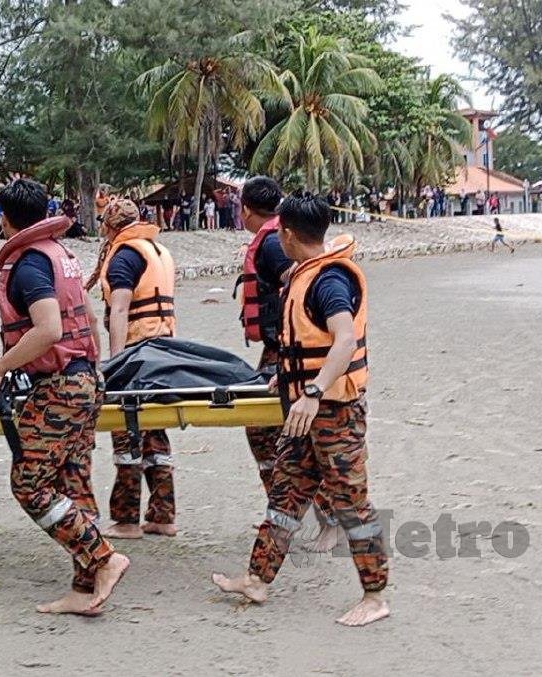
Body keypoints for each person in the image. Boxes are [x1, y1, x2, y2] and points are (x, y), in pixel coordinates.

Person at [213, 192, 389, 627]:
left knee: (351, 502)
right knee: (285, 494)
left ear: (288, 234)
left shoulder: (328, 281)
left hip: (334, 413)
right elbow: (311, 344)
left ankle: (375, 595)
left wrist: (311, 390)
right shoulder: (305, 275)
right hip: (303, 410)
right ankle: (257, 579)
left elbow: (344, 340)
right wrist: (289, 378)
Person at [0, 178, 129, 616]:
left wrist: (0, 365)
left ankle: (104, 557)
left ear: (5, 219)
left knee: (28, 483)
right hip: (85, 379)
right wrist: (91, 369)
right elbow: (86, 314)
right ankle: (85, 589)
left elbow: (48, 329)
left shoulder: (29, 264)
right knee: (73, 481)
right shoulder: (60, 254)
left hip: (61, 385)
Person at [236, 177, 340, 552]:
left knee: (279, 434)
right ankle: (284, 511)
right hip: (283, 352)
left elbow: (297, 288)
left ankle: (321, 518)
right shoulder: (273, 240)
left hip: (290, 352)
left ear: (245, 209)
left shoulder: (275, 245)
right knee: (272, 432)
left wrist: (290, 353)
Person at [85, 198, 177, 540]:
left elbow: (120, 309)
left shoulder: (124, 256)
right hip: (164, 348)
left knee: (127, 432)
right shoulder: (155, 249)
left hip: (138, 352)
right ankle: (163, 515)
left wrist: (115, 361)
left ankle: (126, 519)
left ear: (110, 227)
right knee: (154, 429)